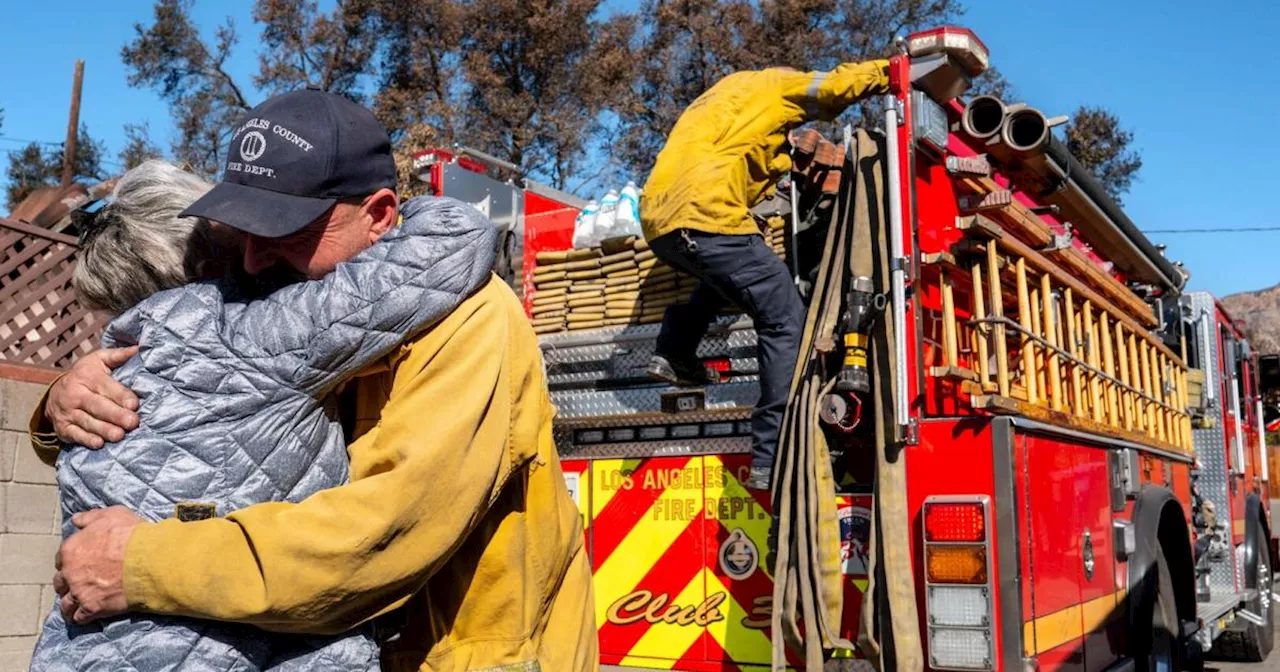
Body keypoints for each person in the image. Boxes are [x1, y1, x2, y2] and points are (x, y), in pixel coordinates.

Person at [32, 89, 597, 671]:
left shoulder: (471, 318)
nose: (252, 261)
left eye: (287, 231)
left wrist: (142, 563)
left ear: (378, 216)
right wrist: (59, 405)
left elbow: (384, 535)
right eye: (242, 231)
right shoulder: (290, 304)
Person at [640, 60, 892, 491]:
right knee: (784, 318)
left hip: (660, 222)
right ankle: (772, 453)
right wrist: (891, 70)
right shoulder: (775, 85)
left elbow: (744, 158)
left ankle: (673, 352)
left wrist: (781, 161)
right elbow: (833, 87)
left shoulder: (714, 102)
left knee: (724, 278)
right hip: (709, 215)